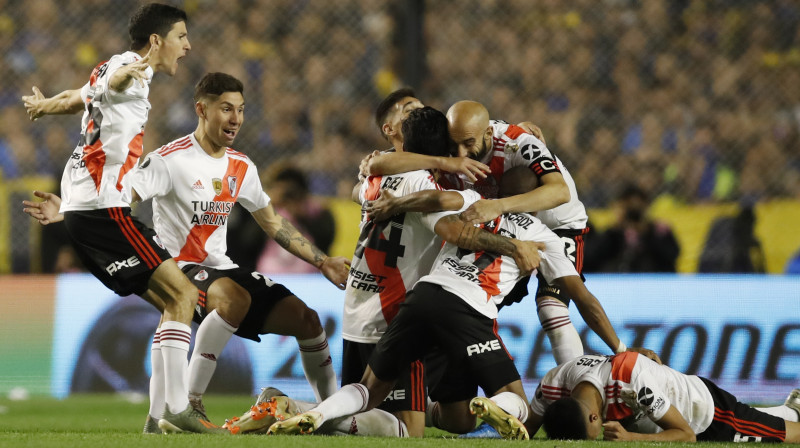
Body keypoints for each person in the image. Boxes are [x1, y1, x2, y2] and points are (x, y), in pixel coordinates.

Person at [23, 73, 351, 433]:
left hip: (223, 267)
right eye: (226, 109)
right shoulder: (168, 160)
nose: (235, 119)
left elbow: (273, 223)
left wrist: (323, 261)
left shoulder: (242, 166)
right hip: (180, 268)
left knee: (308, 321)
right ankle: (187, 404)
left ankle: (330, 414)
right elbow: (118, 198)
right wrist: (70, 209)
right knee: (234, 299)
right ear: (201, 110)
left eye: (240, 110)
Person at [266, 111, 552, 440]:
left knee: (446, 417)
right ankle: (290, 407)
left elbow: (359, 185)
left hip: (358, 307)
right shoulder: (426, 185)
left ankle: (310, 412)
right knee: (405, 430)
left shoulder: (374, 181)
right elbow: (454, 230)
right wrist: (515, 246)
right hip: (395, 309)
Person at [18, 3, 215, 434]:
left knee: (171, 304)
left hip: (84, 213)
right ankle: (178, 410)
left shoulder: (106, 68)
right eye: (181, 37)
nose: (187, 46)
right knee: (184, 296)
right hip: (106, 213)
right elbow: (116, 79)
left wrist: (46, 107)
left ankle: (157, 419)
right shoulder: (128, 67)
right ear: (156, 41)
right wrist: (135, 69)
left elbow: (81, 97)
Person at [528, 352, 800, 443]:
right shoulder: (553, 383)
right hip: (665, 411)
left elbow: (684, 434)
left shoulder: (632, 383)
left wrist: (630, 438)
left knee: (787, 436)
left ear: (593, 416)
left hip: (705, 414)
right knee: (774, 419)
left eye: (593, 432)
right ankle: (794, 407)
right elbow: (526, 428)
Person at [584, 184, 679, 273]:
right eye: (628, 206)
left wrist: (647, 233)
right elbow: (593, 257)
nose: (633, 211)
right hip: (616, 279)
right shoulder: (613, 232)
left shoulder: (659, 231)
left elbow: (673, 255)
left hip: (652, 278)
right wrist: (616, 230)